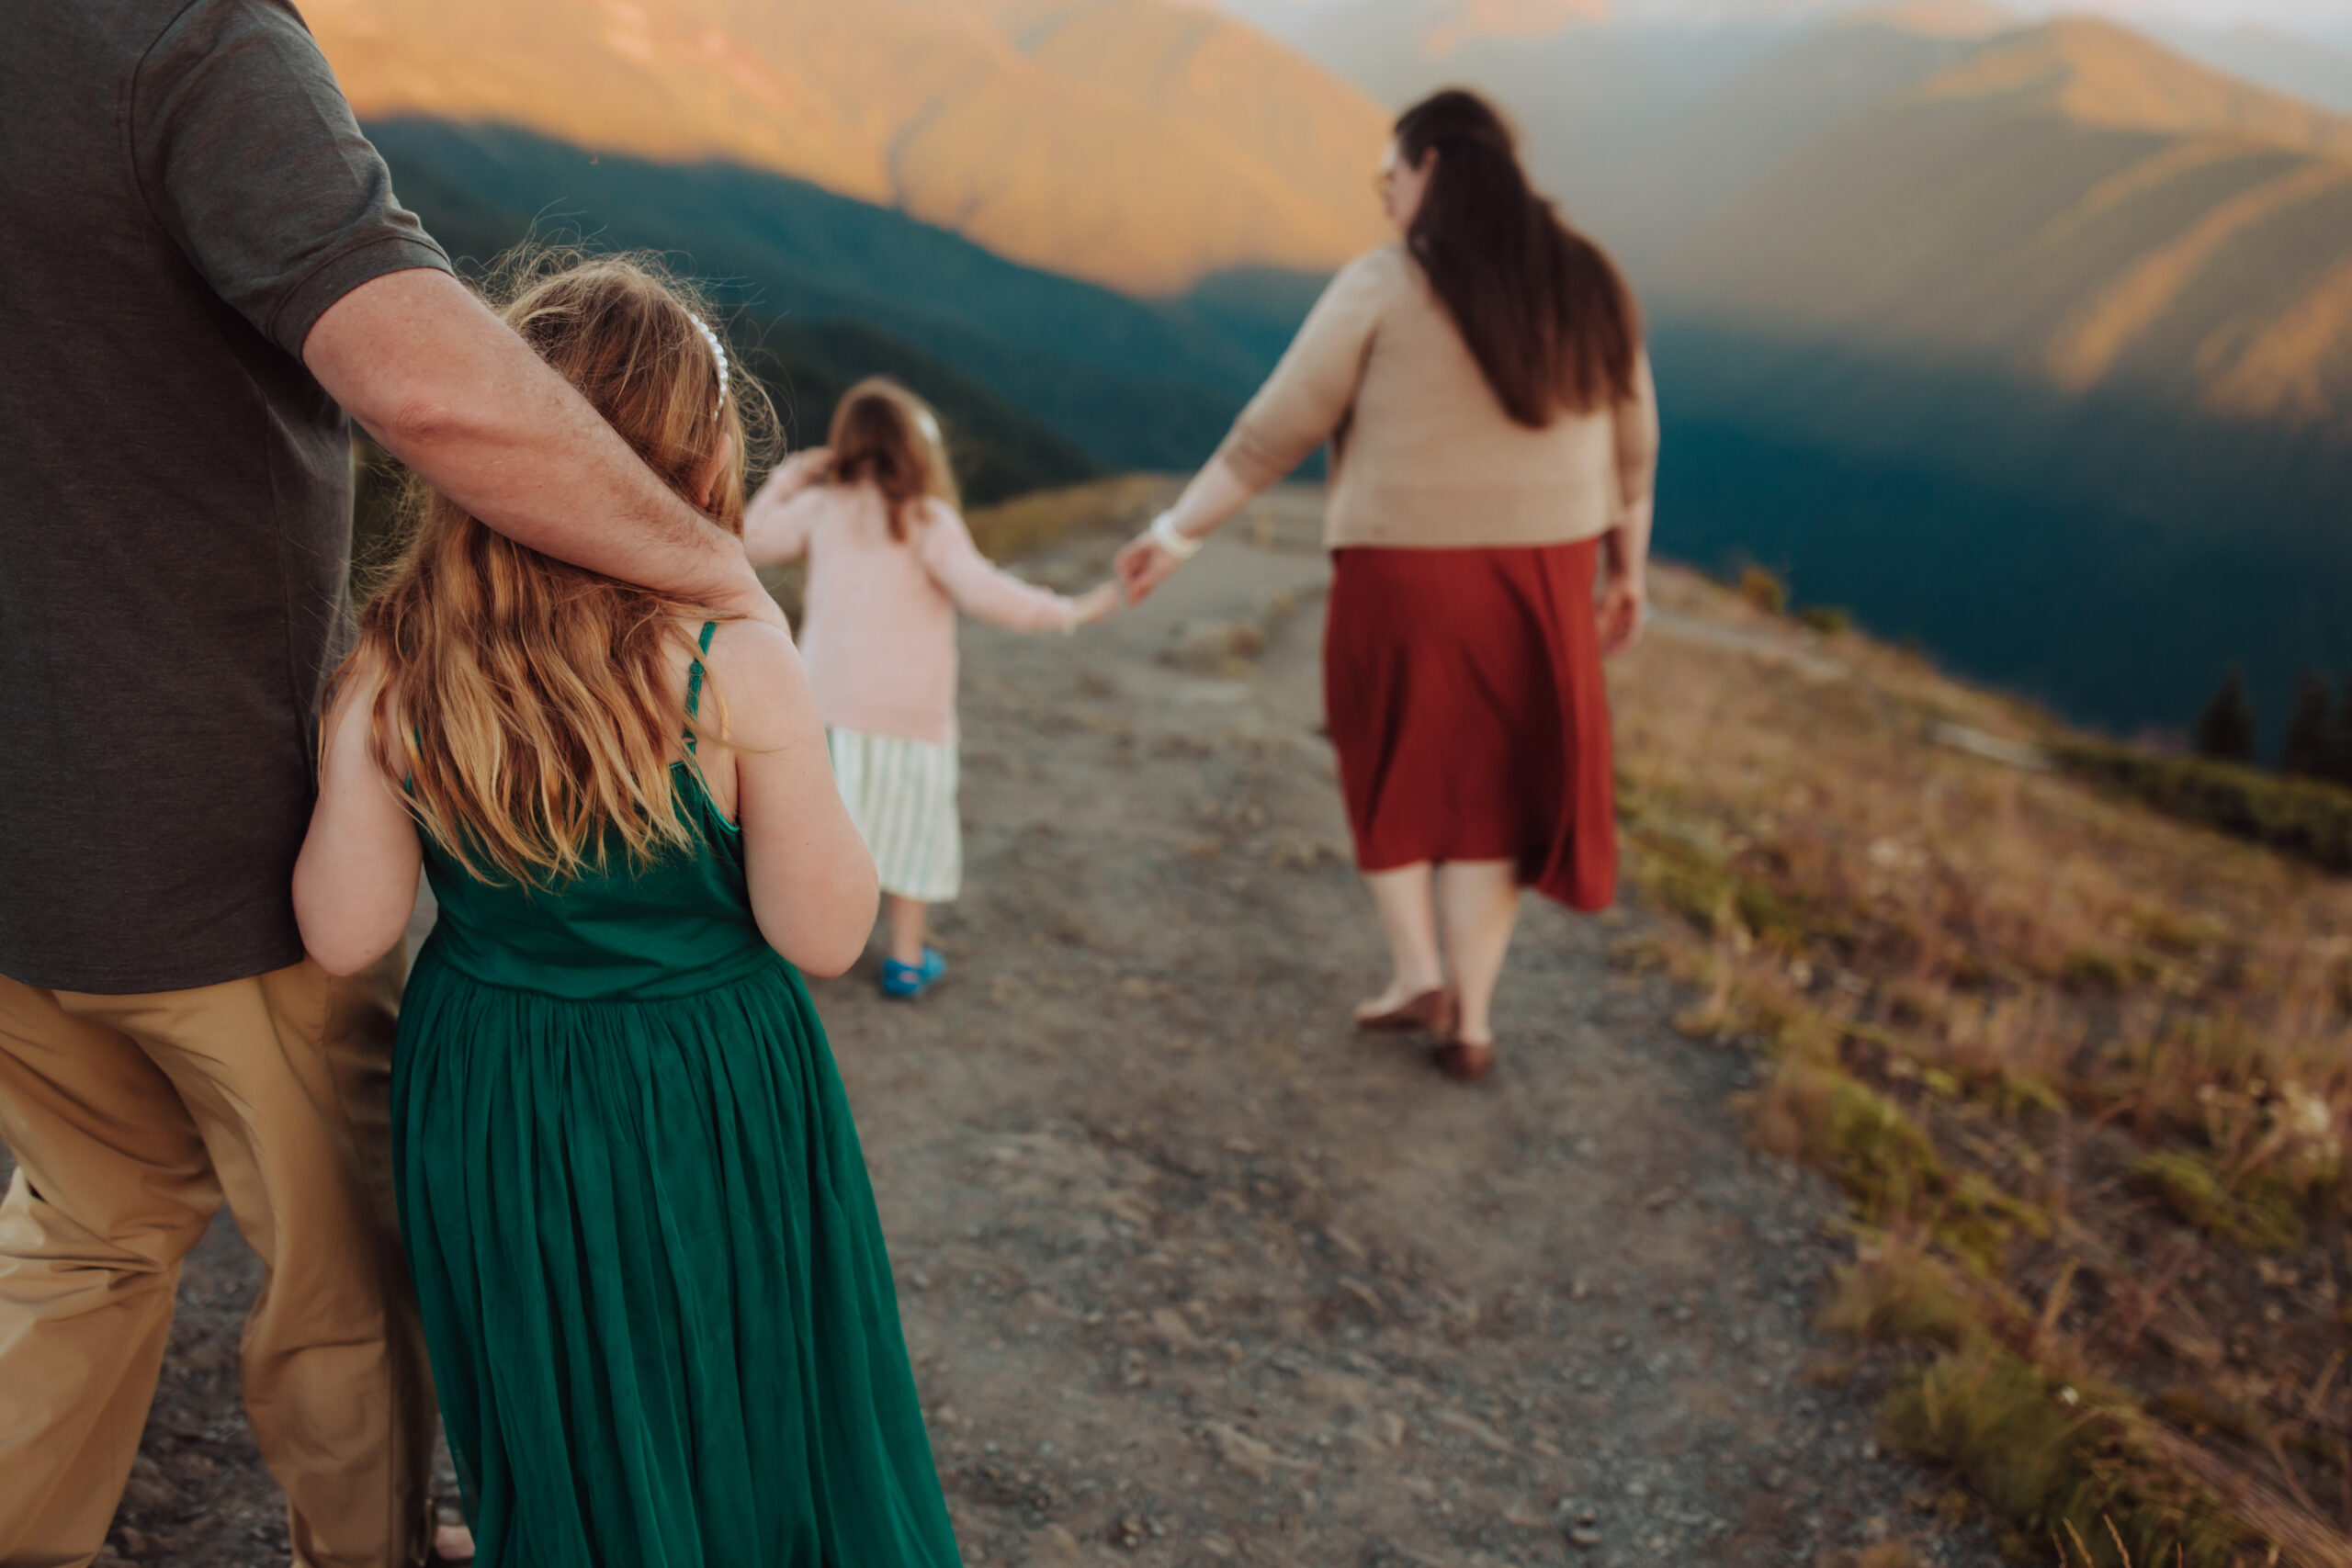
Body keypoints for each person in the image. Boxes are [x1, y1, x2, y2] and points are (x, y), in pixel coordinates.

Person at [0, 6, 779, 1563]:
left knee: (86, 1232)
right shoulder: (185, 41)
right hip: (213, 839)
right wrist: (718, 579)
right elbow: (427, 387)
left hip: (22, 831)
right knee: (339, 1287)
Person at [291, 256, 962, 1563]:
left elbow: (344, 929)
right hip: (707, 1080)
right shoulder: (733, 658)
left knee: (551, 1360)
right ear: (698, 456)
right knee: (736, 1352)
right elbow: (828, 935)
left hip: (493, 1083)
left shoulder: (396, 659)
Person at [1114, 88, 1660, 1085]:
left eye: (1390, 179)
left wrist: (1174, 536)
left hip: (1402, 573)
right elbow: (1633, 448)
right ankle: (1475, 1021)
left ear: (1434, 168)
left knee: (1395, 768)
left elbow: (1270, 431)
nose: (1385, 201)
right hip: (1545, 576)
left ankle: (1417, 970)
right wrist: (1626, 571)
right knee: (1494, 797)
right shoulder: (1589, 280)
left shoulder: (1389, 280)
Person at [743, 378, 1121, 998]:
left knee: (820, 835)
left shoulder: (823, 508)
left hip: (828, 706)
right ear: (913, 448)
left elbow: (753, 540)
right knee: (909, 833)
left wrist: (789, 475)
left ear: (845, 445)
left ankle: (801, 952)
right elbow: (987, 592)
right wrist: (1070, 609)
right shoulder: (928, 519)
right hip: (910, 716)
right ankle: (907, 958)